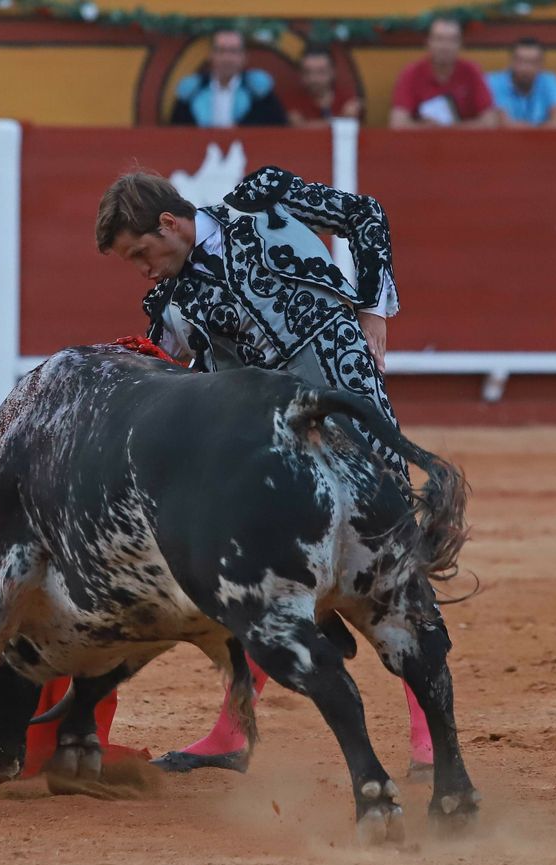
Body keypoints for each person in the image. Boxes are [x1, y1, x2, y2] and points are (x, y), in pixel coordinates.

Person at [95, 167, 443, 777]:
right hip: (279, 448)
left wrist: (373, 310)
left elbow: (365, 215)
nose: (144, 270)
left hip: (350, 406)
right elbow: (157, 379)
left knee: (390, 562)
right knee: (252, 573)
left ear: (170, 224)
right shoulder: (171, 305)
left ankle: (428, 739)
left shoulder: (265, 201)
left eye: (142, 253)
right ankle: (232, 731)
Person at [389, 17, 497, 129]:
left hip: (465, 143)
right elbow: (397, 124)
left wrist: (451, 129)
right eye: (439, 39)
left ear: (460, 44)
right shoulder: (411, 74)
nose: (445, 46)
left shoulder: (472, 71)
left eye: (452, 40)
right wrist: (428, 129)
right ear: (428, 42)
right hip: (422, 143)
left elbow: (490, 122)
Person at [170, 30, 287, 127]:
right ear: (211, 56)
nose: (227, 58)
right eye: (221, 51)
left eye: (233, 51)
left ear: (243, 57)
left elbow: (276, 130)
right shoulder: (192, 92)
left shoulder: (258, 93)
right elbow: (177, 131)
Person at [486, 37, 556, 128]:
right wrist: (542, 129)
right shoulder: (493, 82)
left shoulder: (550, 80)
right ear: (511, 62)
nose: (526, 68)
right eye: (521, 61)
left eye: (532, 62)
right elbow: (503, 124)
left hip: (544, 142)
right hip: (506, 141)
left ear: (541, 65)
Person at [286, 46, 361, 127]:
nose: (313, 79)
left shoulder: (348, 99)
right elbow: (299, 128)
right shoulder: (291, 101)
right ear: (300, 73)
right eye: (307, 72)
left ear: (332, 72)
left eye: (321, 72)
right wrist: (342, 119)